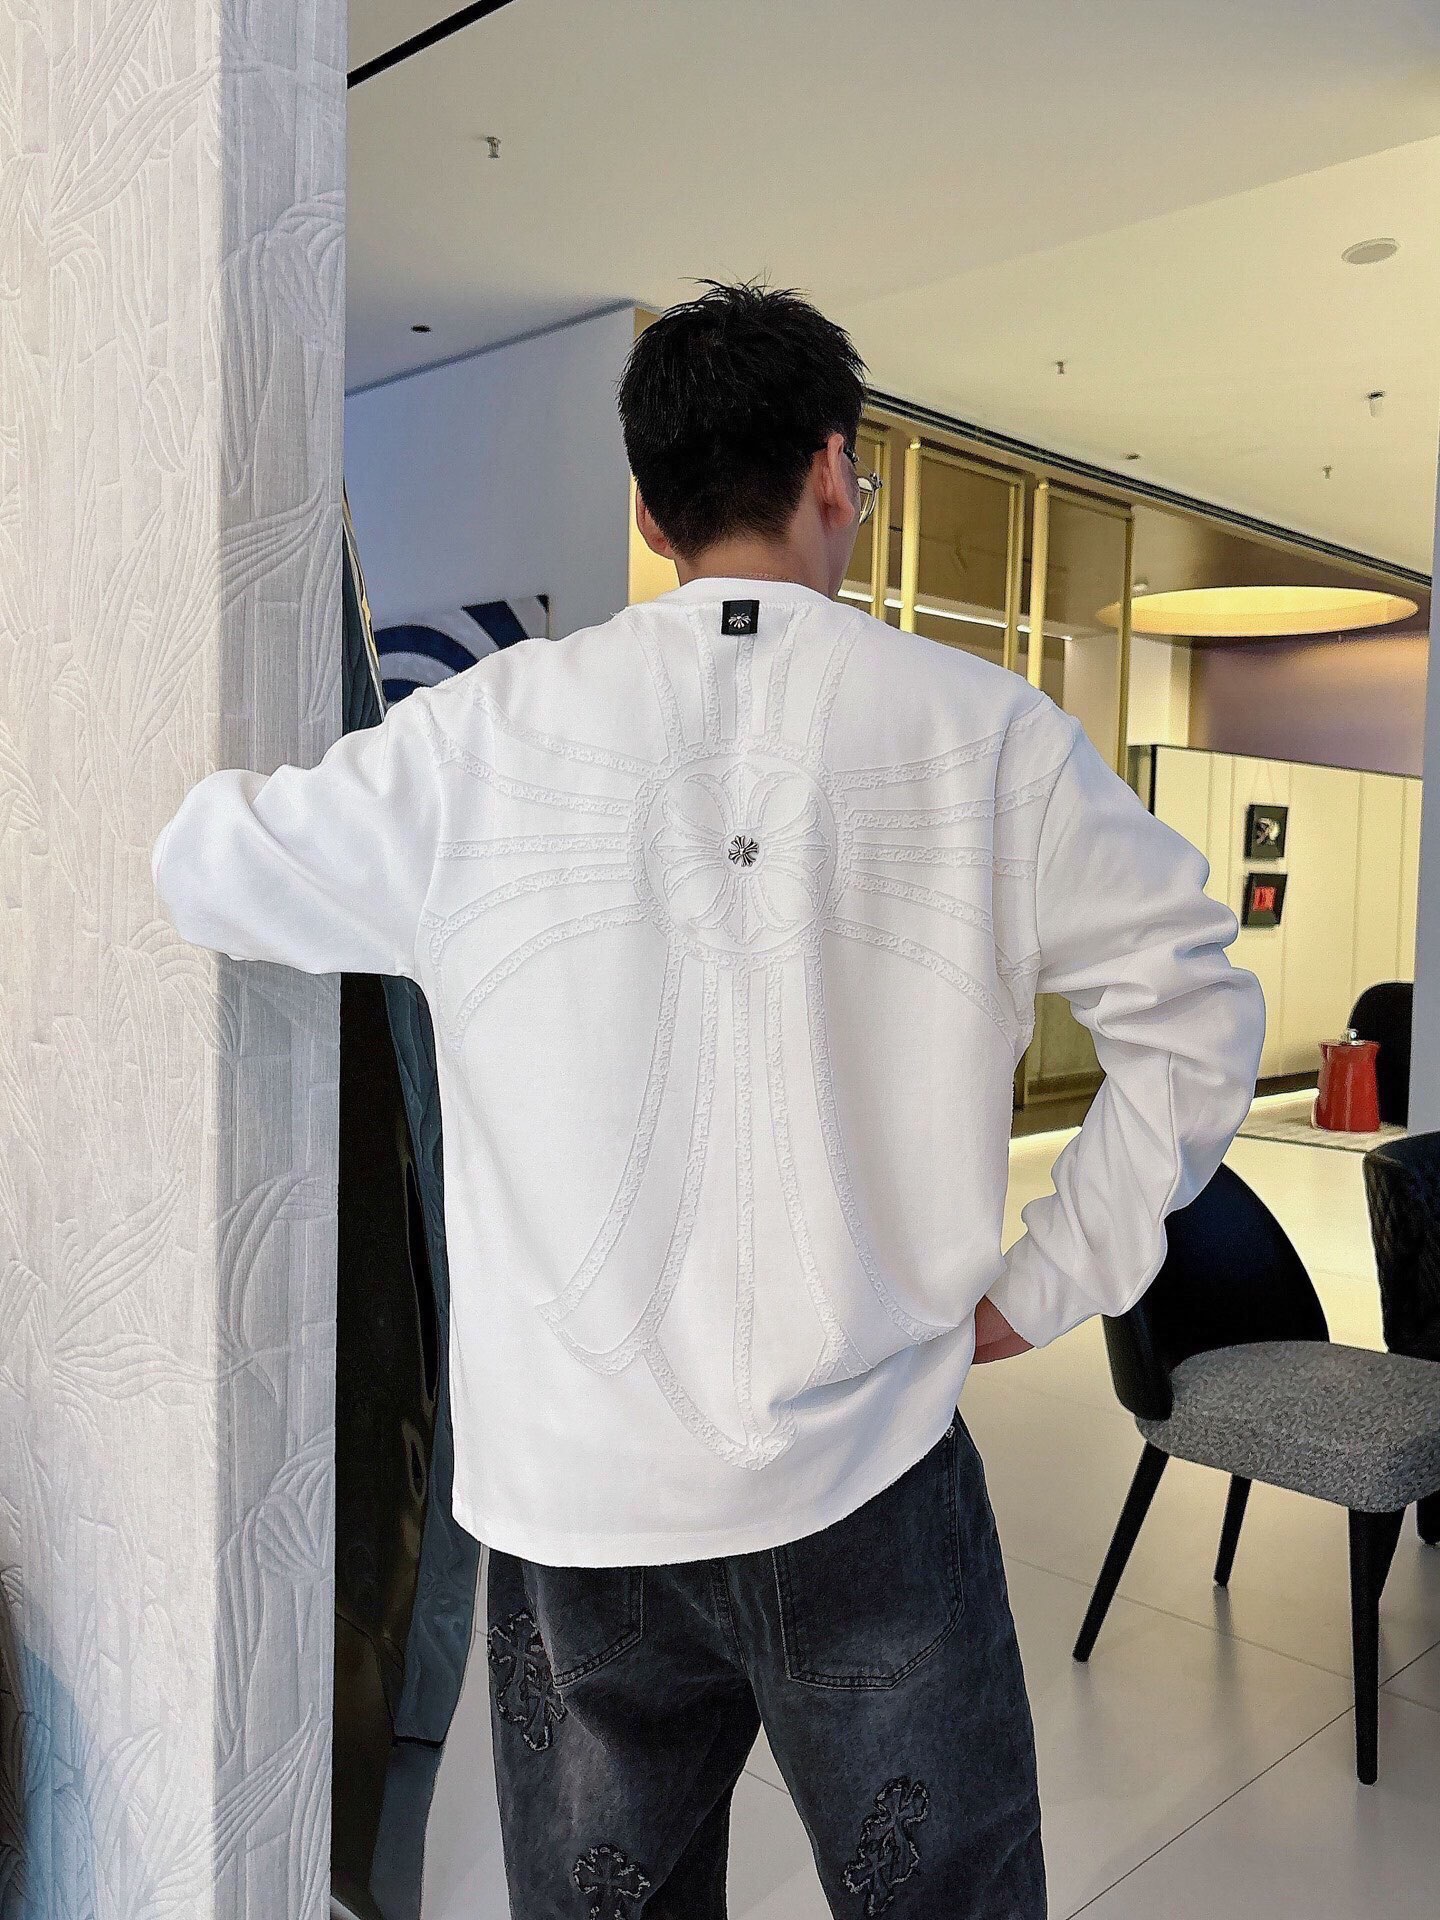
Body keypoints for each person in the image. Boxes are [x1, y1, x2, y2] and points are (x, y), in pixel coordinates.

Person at [152, 282, 1264, 1919]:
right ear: (833, 473)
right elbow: (1198, 1007)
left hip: (576, 1504)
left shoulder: (478, 741)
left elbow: (205, 866)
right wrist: (1050, 1282)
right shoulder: (986, 735)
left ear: (649, 509)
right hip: (871, 1471)